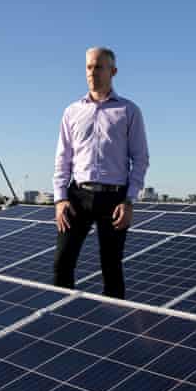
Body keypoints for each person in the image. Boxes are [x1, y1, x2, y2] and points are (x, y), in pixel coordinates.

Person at [53, 47, 149, 299]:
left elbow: (140, 159)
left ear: (113, 71)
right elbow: (63, 157)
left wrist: (129, 201)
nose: (92, 72)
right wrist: (60, 198)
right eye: (88, 67)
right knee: (62, 264)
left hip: (114, 198)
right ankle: (64, 321)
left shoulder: (129, 111)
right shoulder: (72, 111)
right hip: (77, 196)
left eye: (98, 67)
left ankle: (115, 331)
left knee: (111, 268)